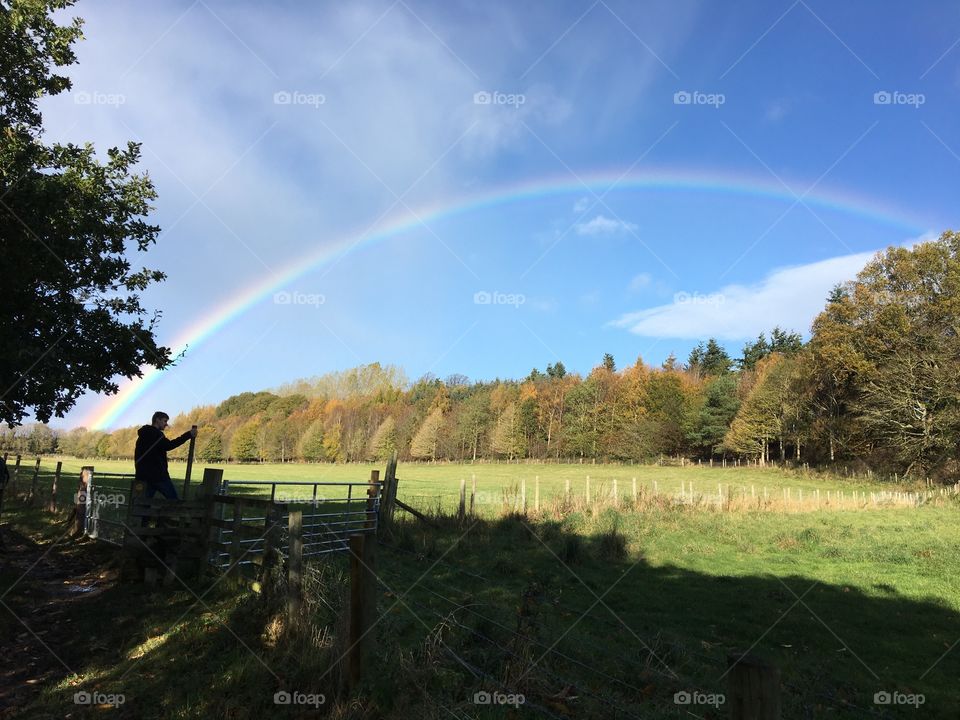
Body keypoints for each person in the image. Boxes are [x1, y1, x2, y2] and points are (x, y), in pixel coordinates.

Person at [134, 412, 196, 500]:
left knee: (141, 505)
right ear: (157, 420)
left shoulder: (142, 435)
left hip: (142, 476)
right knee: (173, 501)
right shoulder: (156, 435)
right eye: (165, 421)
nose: (166, 424)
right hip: (158, 476)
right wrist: (188, 435)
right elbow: (169, 445)